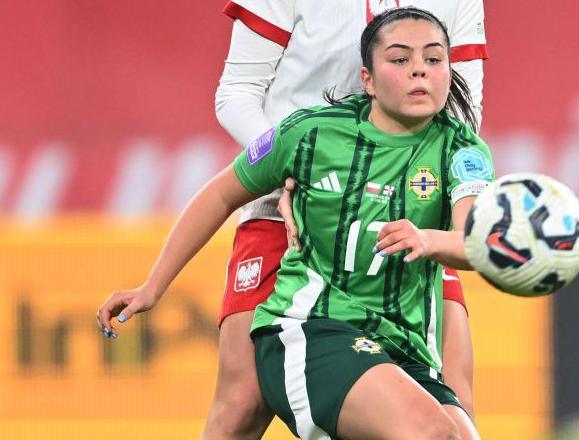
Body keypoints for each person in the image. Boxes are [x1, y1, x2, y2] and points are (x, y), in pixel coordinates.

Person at [98, 7, 493, 439]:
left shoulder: (462, 150)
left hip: (406, 293)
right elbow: (228, 149)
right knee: (243, 405)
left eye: (433, 59)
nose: (419, 69)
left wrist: (433, 234)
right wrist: (152, 287)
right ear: (367, 78)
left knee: (457, 423)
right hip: (311, 299)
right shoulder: (308, 136)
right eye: (400, 59)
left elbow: (474, 233)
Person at [212, 2, 487, 437]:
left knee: (452, 402)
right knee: (242, 404)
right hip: (290, 207)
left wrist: (436, 202)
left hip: (409, 216)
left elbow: (462, 107)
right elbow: (237, 92)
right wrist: (292, 175)